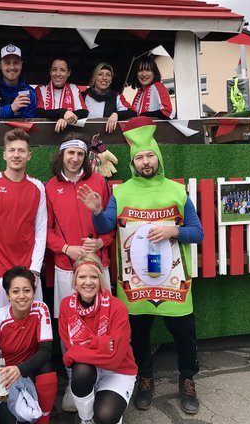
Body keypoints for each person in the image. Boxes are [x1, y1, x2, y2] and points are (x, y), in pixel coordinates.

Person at [78, 116, 204, 415]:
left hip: (173, 281)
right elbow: (106, 226)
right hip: (134, 282)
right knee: (138, 334)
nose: (145, 162)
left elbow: (197, 233)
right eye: (139, 158)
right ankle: (145, 377)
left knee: (184, 333)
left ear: (158, 158)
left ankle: (187, 378)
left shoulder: (177, 191)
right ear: (133, 163)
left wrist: (174, 230)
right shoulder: (121, 192)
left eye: (150, 156)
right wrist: (97, 211)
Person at [45, 133, 115, 411]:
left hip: (98, 264)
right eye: (70, 153)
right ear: (61, 155)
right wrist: (65, 248)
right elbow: (45, 230)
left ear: (86, 157)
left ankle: (103, 379)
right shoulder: (50, 187)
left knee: (103, 320)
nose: (74, 158)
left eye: (79, 154)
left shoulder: (99, 182)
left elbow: (111, 224)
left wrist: (101, 242)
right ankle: (75, 381)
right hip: (66, 267)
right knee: (69, 325)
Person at [0, 128, 47, 320]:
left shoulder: (38, 187)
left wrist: (35, 270)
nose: (16, 155)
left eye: (21, 150)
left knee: (31, 330)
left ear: (29, 155)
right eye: (12, 150)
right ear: (4, 154)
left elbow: (41, 232)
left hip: (28, 276)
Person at [59, 254, 137, 424]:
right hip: (88, 369)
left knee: (105, 417)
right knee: (81, 372)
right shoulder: (66, 306)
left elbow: (115, 358)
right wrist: (100, 344)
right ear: (74, 281)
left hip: (118, 371)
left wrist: (78, 351)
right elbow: (70, 348)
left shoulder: (117, 307)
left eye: (94, 277)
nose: (88, 282)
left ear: (100, 280)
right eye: (82, 277)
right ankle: (86, 419)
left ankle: (106, 405)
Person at [0, 266, 57, 424]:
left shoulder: (41, 309)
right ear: (8, 295)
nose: (22, 296)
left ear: (34, 292)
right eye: (15, 291)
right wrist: (4, 383)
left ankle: (43, 420)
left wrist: (19, 369)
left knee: (47, 368)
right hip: (2, 375)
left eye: (27, 290)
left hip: (27, 369)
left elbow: (46, 352)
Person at [35, 58, 89, 132]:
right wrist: (63, 113)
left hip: (70, 134)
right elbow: (39, 113)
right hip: (45, 134)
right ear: (50, 72)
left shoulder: (74, 88)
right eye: (54, 70)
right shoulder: (41, 89)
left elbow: (84, 112)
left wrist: (66, 118)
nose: (58, 74)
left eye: (62, 70)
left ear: (68, 73)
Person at [80, 63, 136, 133]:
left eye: (108, 75)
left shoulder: (116, 97)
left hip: (107, 137)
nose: (104, 78)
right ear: (94, 78)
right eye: (100, 74)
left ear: (111, 80)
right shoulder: (82, 96)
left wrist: (116, 114)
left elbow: (133, 112)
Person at [0, 44, 37, 119]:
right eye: (7, 63)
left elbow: (27, 121)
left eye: (16, 63)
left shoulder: (30, 93)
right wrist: (11, 108)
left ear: (21, 65)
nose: (12, 67)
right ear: (0, 65)